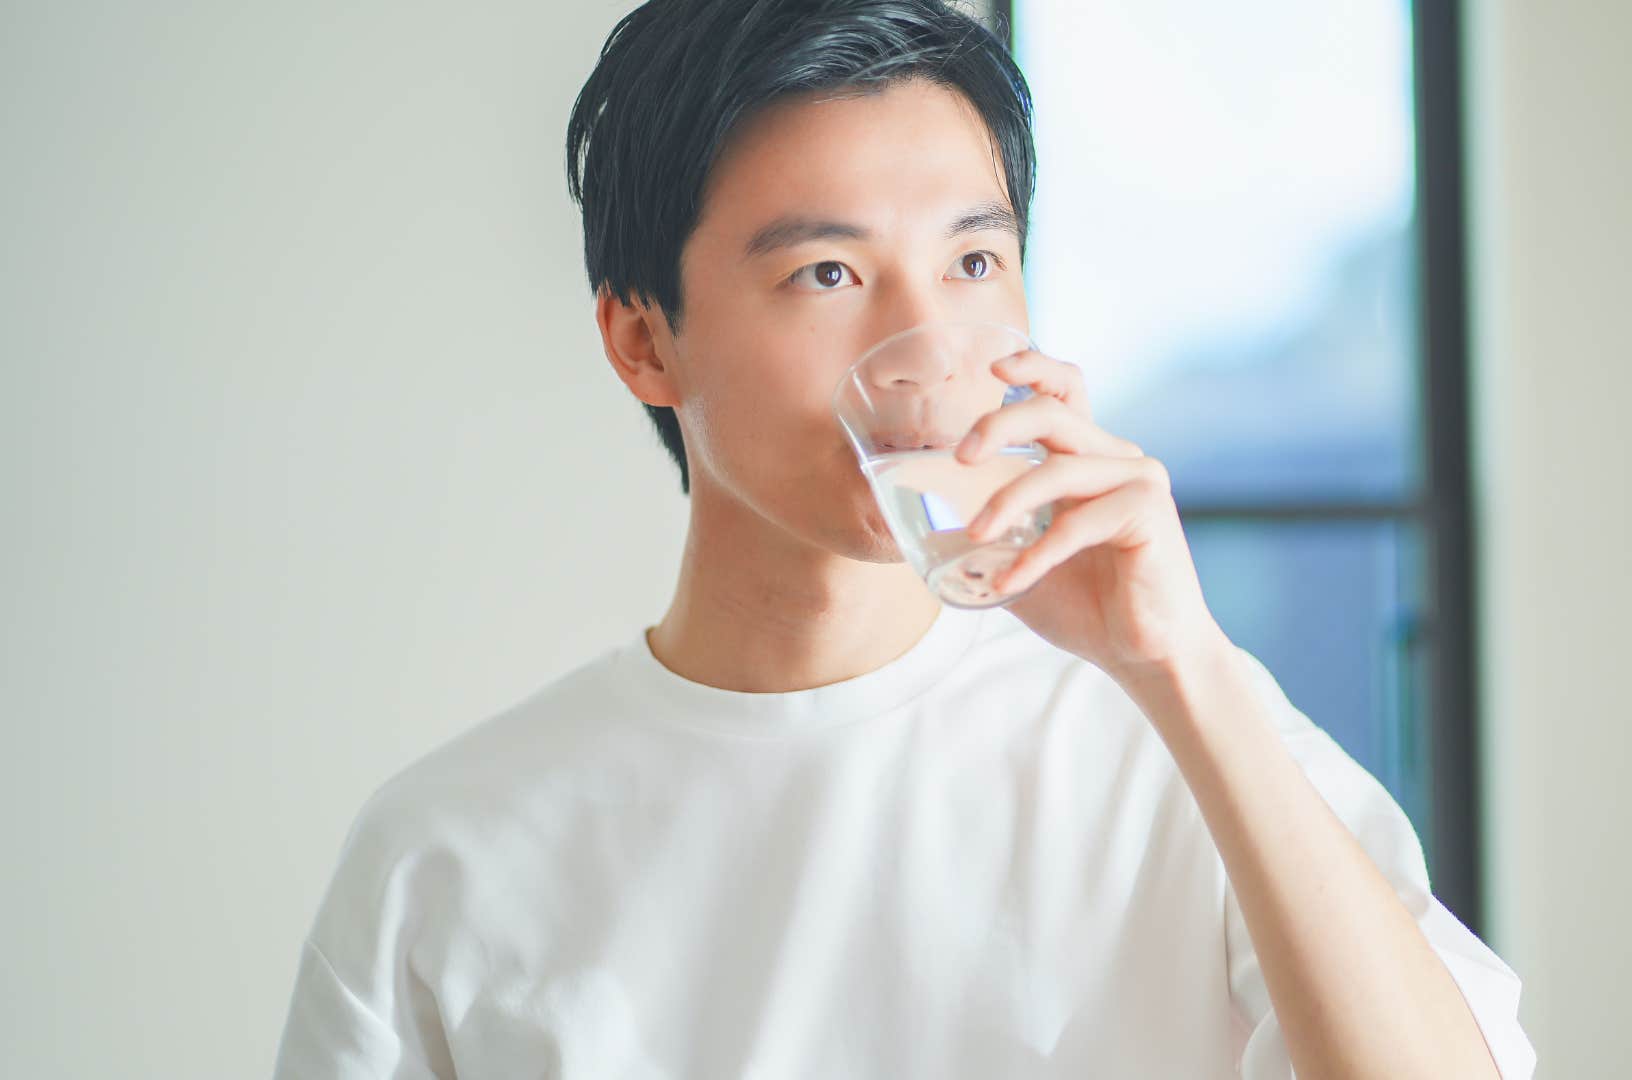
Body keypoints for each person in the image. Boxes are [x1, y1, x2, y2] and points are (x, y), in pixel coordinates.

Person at [270, 1, 1537, 1076]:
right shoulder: (447, 855)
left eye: (977, 262)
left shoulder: (1182, 731)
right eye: (828, 274)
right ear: (642, 339)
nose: (926, 356)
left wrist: (1183, 670)